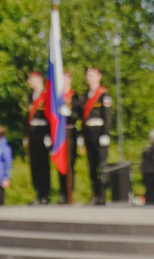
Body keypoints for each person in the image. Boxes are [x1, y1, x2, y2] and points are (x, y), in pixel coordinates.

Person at [79, 67, 115, 205]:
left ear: (99, 77)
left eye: (93, 75)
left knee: (102, 165)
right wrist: (82, 135)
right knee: (92, 165)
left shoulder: (103, 95)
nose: (90, 78)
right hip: (88, 132)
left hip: (99, 131)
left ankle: (103, 195)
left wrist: (105, 133)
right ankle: (95, 194)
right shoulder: (85, 96)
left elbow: (107, 116)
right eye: (88, 75)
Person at [26, 72, 52, 204]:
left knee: (43, 164)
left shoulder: (46, 95)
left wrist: (49, 134)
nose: (29, 81)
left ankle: (45, 194)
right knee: (34, 165)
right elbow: (27, 117)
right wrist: (26, 135)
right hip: (33, 133)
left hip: (43, 131)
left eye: (32, 79)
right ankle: (38, 193)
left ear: (39, 80)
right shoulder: (31, 96)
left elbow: (50, 116)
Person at [58, 70, 76, 204]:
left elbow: (78, 115)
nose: (63, 81)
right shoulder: (57, 97)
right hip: (59, 132)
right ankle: (62, 193)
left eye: (66, 79)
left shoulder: (74, 96)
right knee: (60, 163)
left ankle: (70, 193)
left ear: (70, 80)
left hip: (70, 131)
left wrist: (69, 114)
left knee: (70, 164)